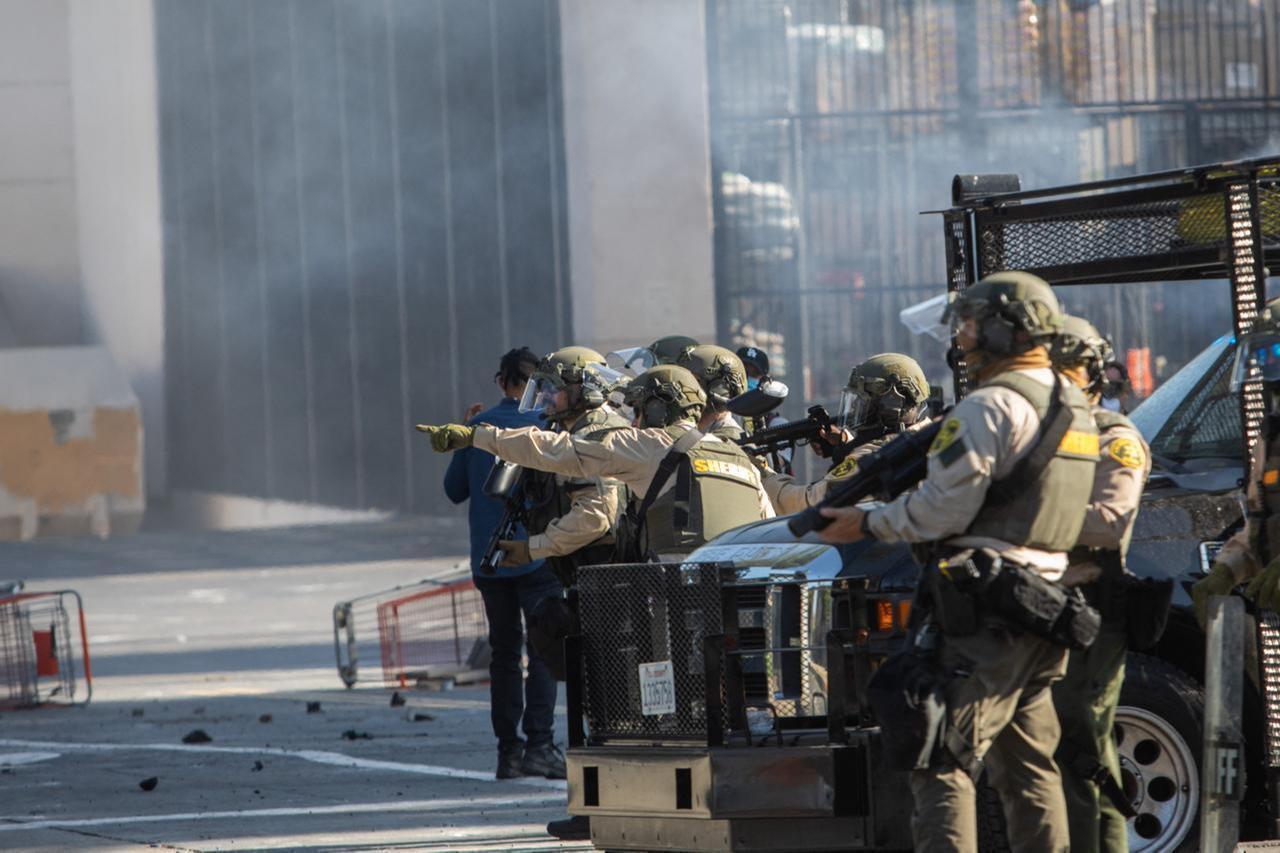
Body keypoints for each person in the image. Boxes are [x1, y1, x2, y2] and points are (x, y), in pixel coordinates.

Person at [816, 271, 1099, 852]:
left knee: (939, 755)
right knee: (1028, 770)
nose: (961, 339)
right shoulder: (1075, 405)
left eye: (969, 325)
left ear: (1004, 329)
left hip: (986, 613)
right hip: (1045, 609)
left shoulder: (991, 407)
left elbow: (941, 511)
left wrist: (867, 521)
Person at [420, 364, 773, 562]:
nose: (632, 420)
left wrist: (476, 437)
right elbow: (769, 525)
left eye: (638, 410)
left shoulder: (649, 446)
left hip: (681, 591)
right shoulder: (737, 455)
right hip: (744, 587)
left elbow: (554, 450)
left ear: (655, 409)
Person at [1051, 315, 1151, 853]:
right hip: (1036, 611)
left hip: (1088, 612)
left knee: (1087, 756)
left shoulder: (1113, 436)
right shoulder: (1041, 436)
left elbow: (1110, 521)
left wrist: (1029, 515)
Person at [442, 347, 563, 781]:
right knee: (544, 652)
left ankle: (508, 753)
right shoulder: (546, 426)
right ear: (541, 386)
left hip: (489, 561)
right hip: (535, 556)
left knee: (504, 656)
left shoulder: (477, 426)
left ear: (500, 382)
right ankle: (541, 746)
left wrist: (464, 435)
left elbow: (455, 491)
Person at [1195, 297, 1280, 619]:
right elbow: (1260, 524)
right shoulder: (1270, 435)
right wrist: (1226, 572)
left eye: (1277, 354)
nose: (1271, 370)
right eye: (1265, 357)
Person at [762, 353, 931, 515]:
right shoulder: (929, 437)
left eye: (863, 403)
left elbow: (803, 504)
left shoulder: (878, 458)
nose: (856, 409)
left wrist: (760, 472)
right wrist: (847, 444)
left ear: (891, 406)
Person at [736, 345, 792, 474]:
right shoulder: (724, 414)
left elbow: (776, 466)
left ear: (766, 380)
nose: (748, 377)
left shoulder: (777, 424)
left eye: (754, 374)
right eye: (744, 372)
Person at [676, 344, 749, 441]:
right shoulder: (689, 429)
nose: (683, 388)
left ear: (720, 390)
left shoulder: (733, 441)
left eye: (692, 381)